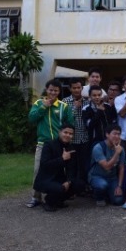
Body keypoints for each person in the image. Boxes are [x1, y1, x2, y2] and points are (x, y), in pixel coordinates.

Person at [27, 79, 74, 208]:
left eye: (56, 90)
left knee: (60, 169)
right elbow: (31, 118)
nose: (53, 92)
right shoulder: (38, 103)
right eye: (51, 90)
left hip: (59, 144)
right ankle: (36, 197)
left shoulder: (63, 106)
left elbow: (70, 123)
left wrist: (66, 138)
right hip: (43, 143)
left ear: (59, 92)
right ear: (46, 90)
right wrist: (44, 106)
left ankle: (56, 194)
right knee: (38, 169)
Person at [33, 124, 85, 211]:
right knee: (59, 188)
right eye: (65, 132)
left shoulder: (71, 148)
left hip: (60, 178)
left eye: (70, 134)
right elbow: (45, 164)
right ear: (59, 132)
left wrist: (68, 181)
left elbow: (72, 168)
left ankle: (58, 200)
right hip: (46, 179)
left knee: (80, 184)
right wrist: (62, 159)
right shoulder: (49, 145)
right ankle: (49, 201)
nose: (68, 135)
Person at [89, 124, 125, 206]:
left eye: (119, 134)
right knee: (102, 185)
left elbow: (121, 167)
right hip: (97, 176)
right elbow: (106, 166)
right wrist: (116, 153)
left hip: (112, 178)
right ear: (107, 134)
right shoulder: (98, 147)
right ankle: (99, 196)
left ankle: (109, 193)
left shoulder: (121, 149)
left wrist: (119, 186)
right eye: (114, 134)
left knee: (118, 201)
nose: (117, 136)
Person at [62, 77, 90, 183]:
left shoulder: (87, 101)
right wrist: (74, 108)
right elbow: (65, 121)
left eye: (79, 87)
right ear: (70, 89)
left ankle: (83, 187)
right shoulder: (65, 102)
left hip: (84, 138)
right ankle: (71, 187)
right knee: (71, 165)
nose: (77, 90)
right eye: (74, 88)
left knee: (83, 165)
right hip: (72, 140)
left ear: (82, 88)